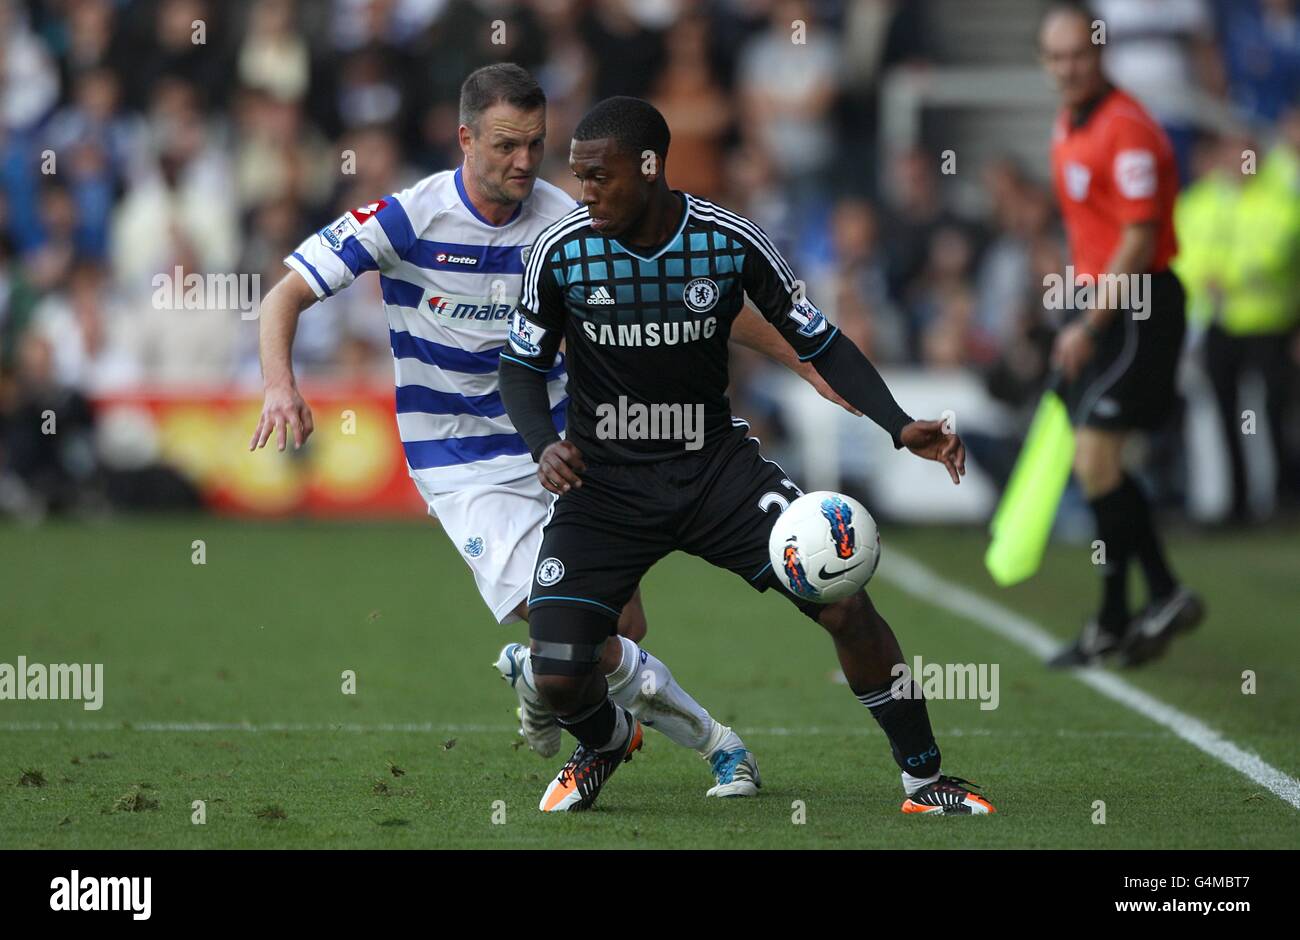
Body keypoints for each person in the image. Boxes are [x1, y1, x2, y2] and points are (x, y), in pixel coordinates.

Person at [249, 64, 848, 797]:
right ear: (465, 139)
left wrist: (806, 361)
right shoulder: (409, 218)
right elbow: (284, 295)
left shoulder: (568, 218)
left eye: (536, 144)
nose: (524, 162)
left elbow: (706, 297)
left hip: (567, 446)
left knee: (623, 624)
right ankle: (715, 746)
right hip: (462, 461)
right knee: (584, 635)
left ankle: (552, 690)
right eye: (506, 145)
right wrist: (281, 385)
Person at [498, 95, 995, 816]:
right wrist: (544, 445)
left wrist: (898, 424)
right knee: (557, 671)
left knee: (844, 602)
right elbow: (519, 365)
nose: (584, 193)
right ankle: (606, 741)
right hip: (603, 485)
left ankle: (925, 780)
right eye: (578, 177)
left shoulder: (728, 240)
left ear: (650, 166)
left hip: (714, 471)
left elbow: (816, 338)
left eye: (599, 177)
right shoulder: (562, 250)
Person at [1038, 3, 1204, 668]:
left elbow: (1138, 237)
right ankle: (1144, 603)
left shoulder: (1126, 128)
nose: (1068, 67)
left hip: (1139, 304)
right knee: (1095, 459)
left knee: (1096, 457)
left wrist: (1088, 323)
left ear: (1100, 51)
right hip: (1105, 302)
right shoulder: (1068, 123)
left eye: (1078, 53)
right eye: (1055, 57)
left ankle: (1137, 605)